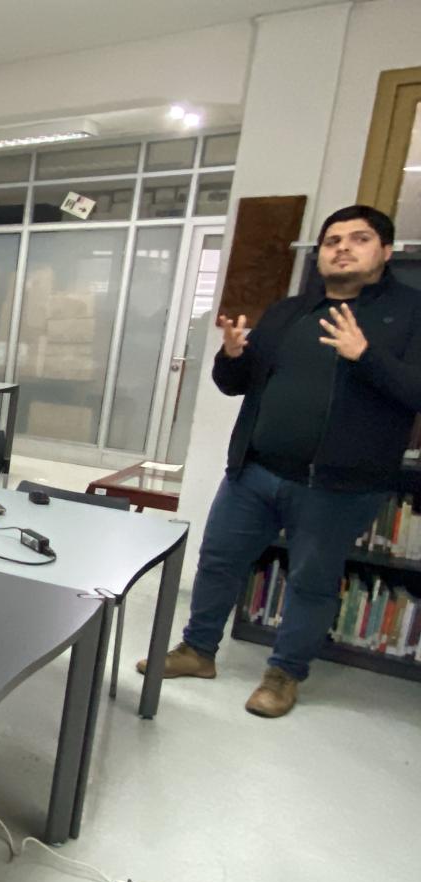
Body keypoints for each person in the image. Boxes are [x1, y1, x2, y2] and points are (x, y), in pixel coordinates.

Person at [138, 205, 421, 718]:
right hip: (255, 471)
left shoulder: (410, 313)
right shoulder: (289, 312)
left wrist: (367, 355)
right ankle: (198, 651)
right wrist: (232, 355)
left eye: (358, 239)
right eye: (332, 240)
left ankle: (284, 674)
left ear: (384, 251)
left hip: (337, 485)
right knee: (219, 561)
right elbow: (235, 384)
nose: (342, 248)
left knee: (311, 582)